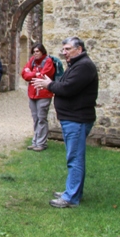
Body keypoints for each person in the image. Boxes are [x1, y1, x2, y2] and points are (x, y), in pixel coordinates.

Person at [32, 36, 98, 208]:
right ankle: (73, 191)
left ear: (79, 49)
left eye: (68, 49)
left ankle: (71, 197)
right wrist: (53, 83)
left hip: (77, 119)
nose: (64, 52)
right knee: (75, 157)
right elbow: (64, 83)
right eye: (64, 49)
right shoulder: (77, 65)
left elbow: (67, 88)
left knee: (74, 158)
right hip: (73, 118)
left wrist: (49, 84)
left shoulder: (84, 66)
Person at [21, 43, 55, 152]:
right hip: (32, 94)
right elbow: (24, 74)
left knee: (42, 118)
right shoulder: (32, 61)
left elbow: (44, 75)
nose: (35, 53)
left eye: (38, 51)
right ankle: (35, 141)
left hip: (43, 94)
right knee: (35, 118)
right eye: (34, 51)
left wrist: (32, 73)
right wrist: (35, 73)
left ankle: (41, 143)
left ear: (42, 51)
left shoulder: (48, 61)